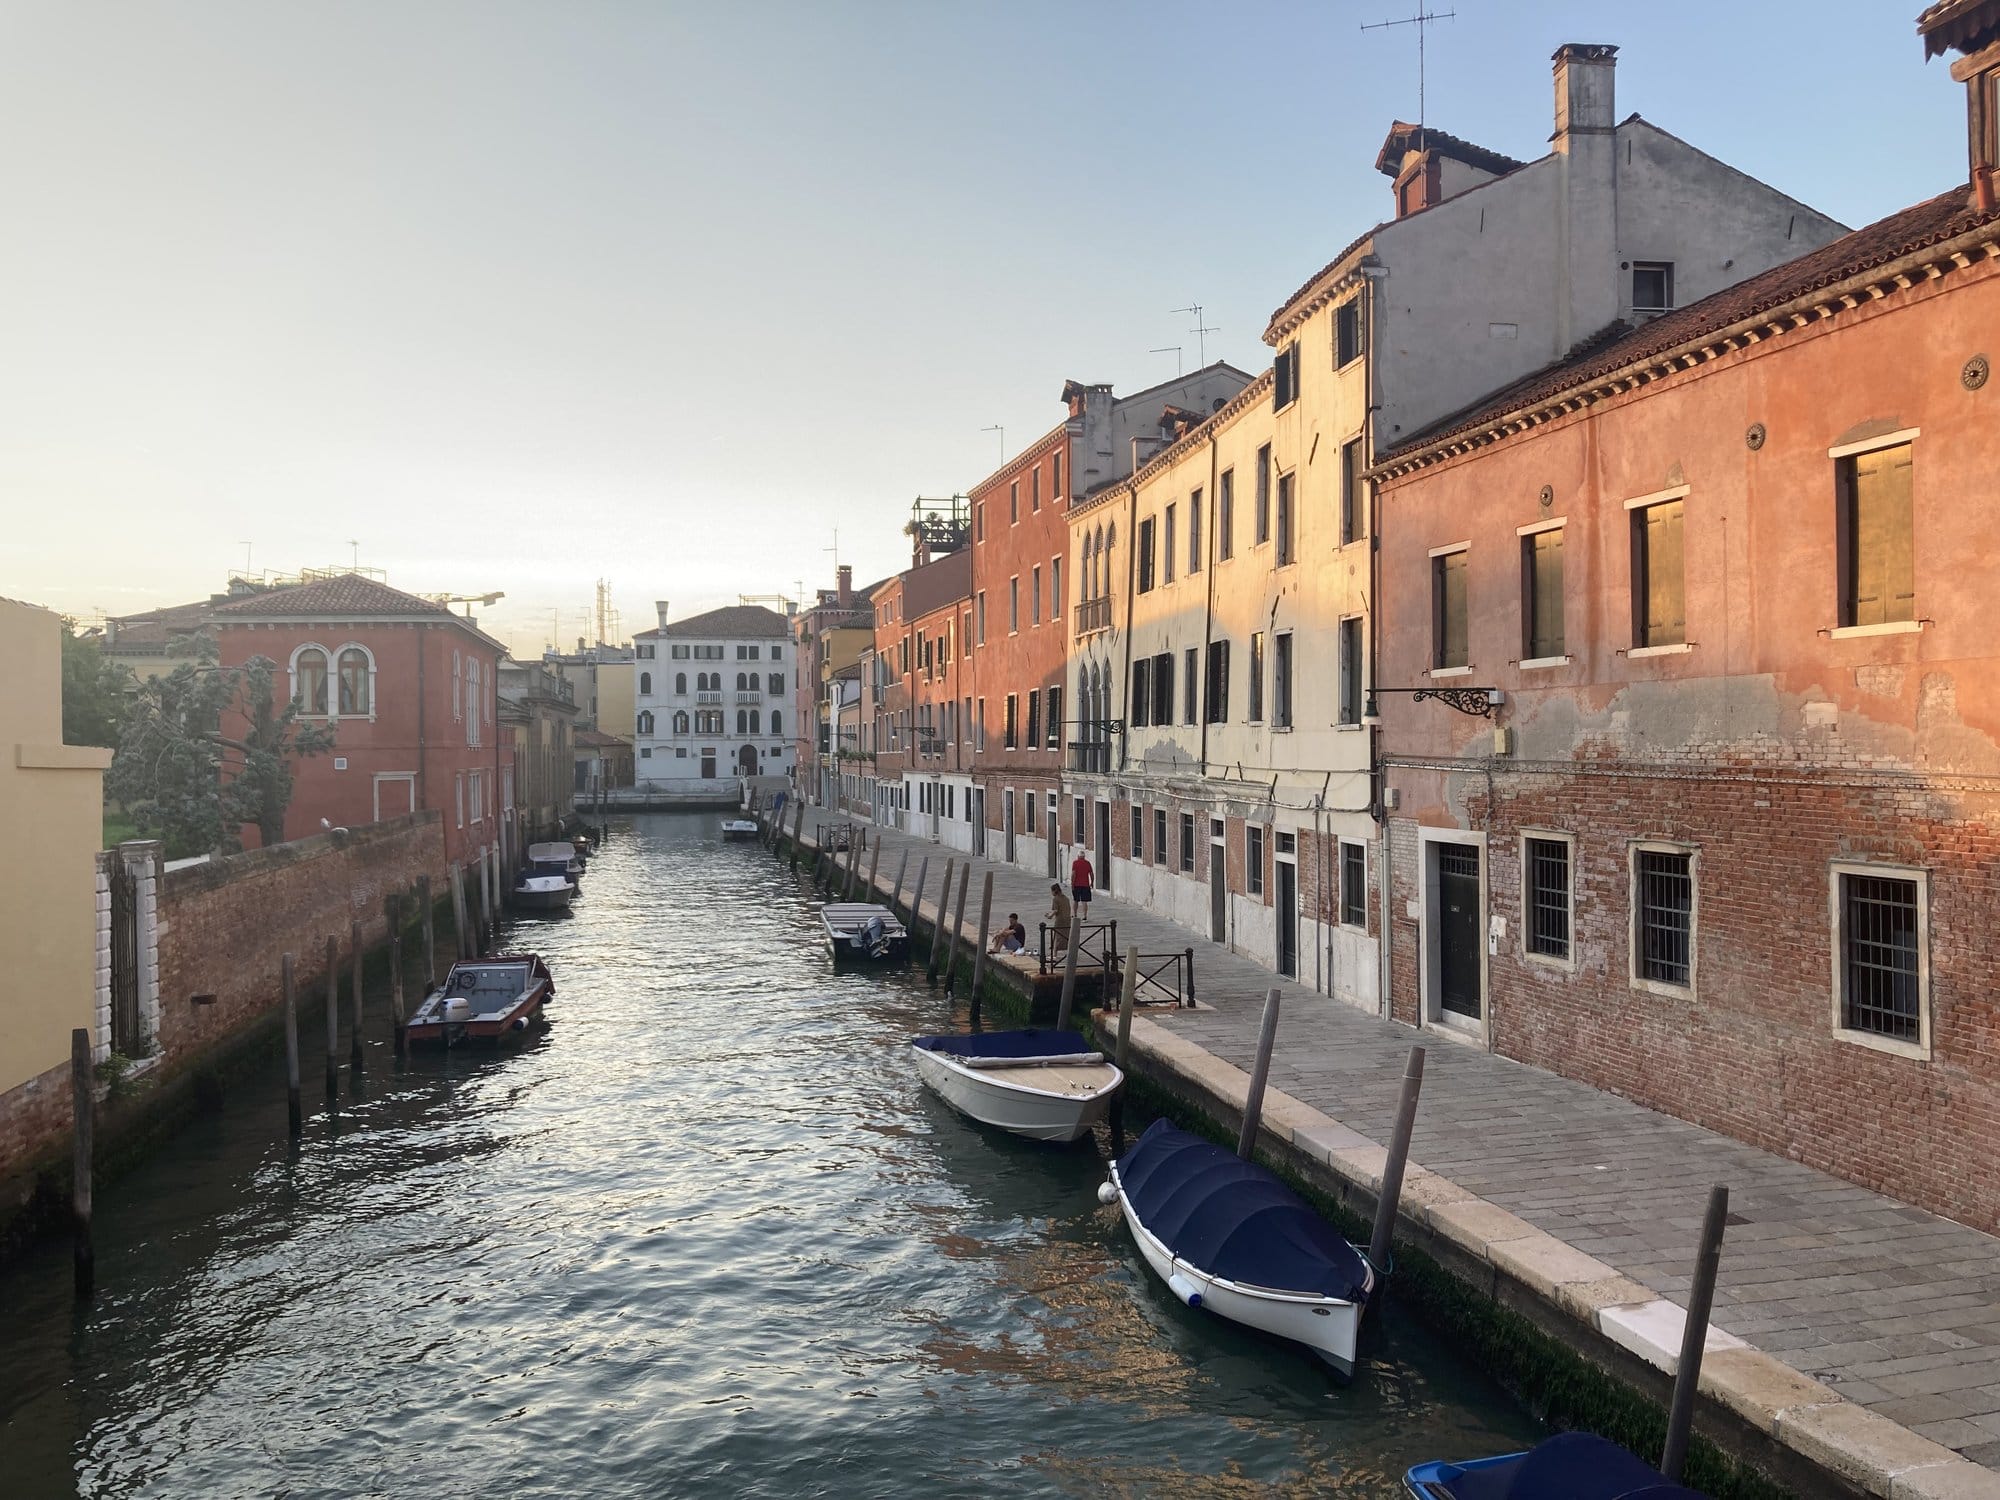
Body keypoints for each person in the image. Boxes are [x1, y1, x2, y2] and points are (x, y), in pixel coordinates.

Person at [1046, 884, 1072, 957]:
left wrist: (1050, 916)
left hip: (1060, 920)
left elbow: (1056, 910)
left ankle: (1054, 954)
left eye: (1051, 891)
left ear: (1054, 891)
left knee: (1057, 936)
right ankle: (1069, 952)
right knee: (1066, 936)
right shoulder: (1066, 898)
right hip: (1067, 919)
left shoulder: (1055, 899)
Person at [1070, 849, 1094, 923]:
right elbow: (1091, 874)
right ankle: (1084, 916)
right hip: (1085, 884)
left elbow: (1073, 874)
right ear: (1084, 857)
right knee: (1084, 901)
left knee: (1075, 900)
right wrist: (1092, 882)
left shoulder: (1075, 863)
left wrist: (1072, 883)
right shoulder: (1087, 863)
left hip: (1076, 884)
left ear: (1078, 856)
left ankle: (1075, 915)